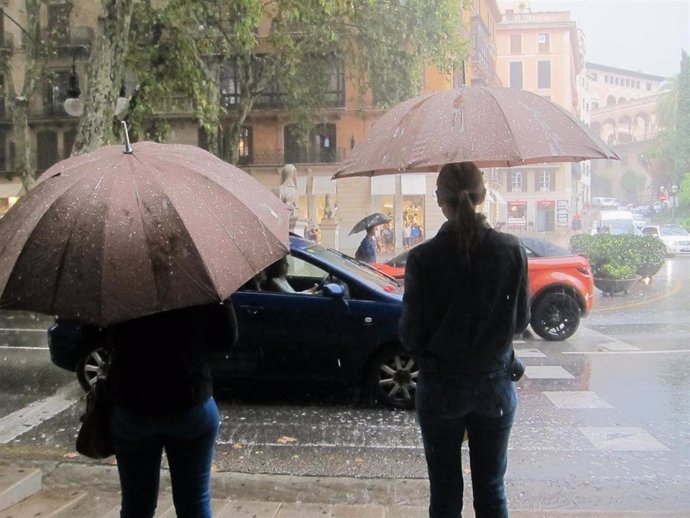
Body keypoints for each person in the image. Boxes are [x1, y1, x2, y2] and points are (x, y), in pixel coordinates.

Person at [400, 162, 530, 518]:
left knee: (444, 491)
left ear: (440, 201)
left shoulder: (423, 259)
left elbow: (410, 336)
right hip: (495, 388)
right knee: (491, 488)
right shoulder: (511, 250)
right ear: (483, 196)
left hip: (441, 389)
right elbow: (520, 320)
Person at [107, 302, 238, 518]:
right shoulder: (199, 280)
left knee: (136, 505)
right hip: (190, 400)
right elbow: (226, 339)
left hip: (133, 404)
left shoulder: (120, 282)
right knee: (194, 504)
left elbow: (94, 335)